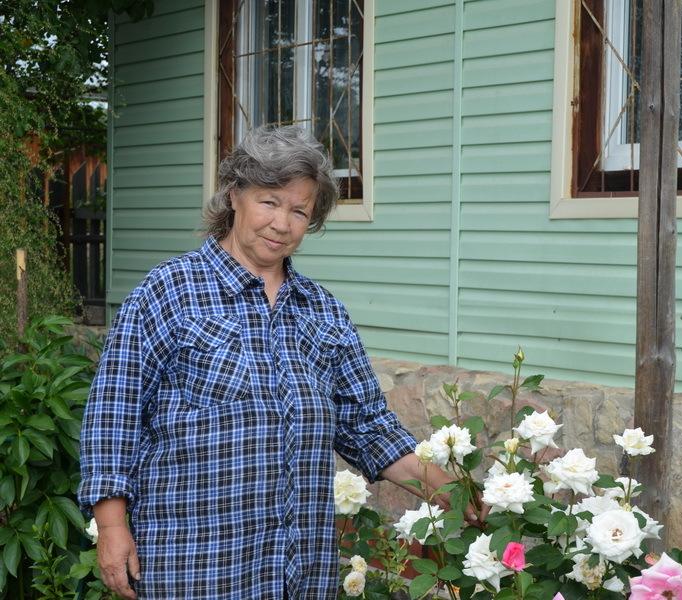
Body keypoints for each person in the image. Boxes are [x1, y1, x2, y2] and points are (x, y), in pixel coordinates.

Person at [78, 125, 455, 598]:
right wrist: (112, 527)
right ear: (234, 195)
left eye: (299, 210)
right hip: (193, 568)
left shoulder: (323, 312)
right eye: (270, 202)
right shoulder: (168, 292)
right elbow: (113, 417)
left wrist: (452, 491)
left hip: (298, 573)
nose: (282, 223)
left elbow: (369, 427)